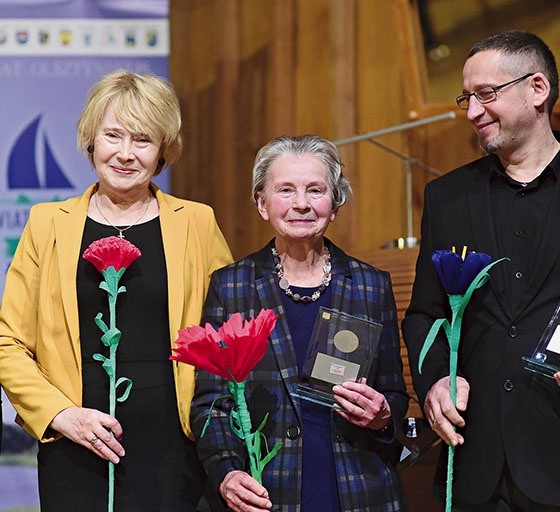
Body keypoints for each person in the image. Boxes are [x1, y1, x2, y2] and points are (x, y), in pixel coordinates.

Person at [402, 30, 560, 511]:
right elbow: (425, 315)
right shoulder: (448, 198)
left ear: (537, 89)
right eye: (466, 97)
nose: (471, 111)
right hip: (478, 465)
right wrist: (433, 384)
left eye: (486, 94)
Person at [0, 70, 233, 511]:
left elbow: (226, 332)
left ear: (164, 150)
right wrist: (60, 415)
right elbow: (7, 342)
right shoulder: (47, 224)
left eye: (142, 140)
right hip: (75, 448)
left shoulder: (196, 222)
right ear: (91, 140)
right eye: (113, 136)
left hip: (176, 450)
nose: (125, 154)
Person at [191, 134, 409, 512]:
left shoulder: (372, 285)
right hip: (266, 491)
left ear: (335, 204)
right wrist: (226, 471)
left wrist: (383, 415)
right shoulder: (231, 286)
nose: (302, 204)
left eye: (316, 190)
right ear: (262, 203)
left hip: (358, 490)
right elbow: (212, 404)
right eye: (286, 190)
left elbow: (394, 393)